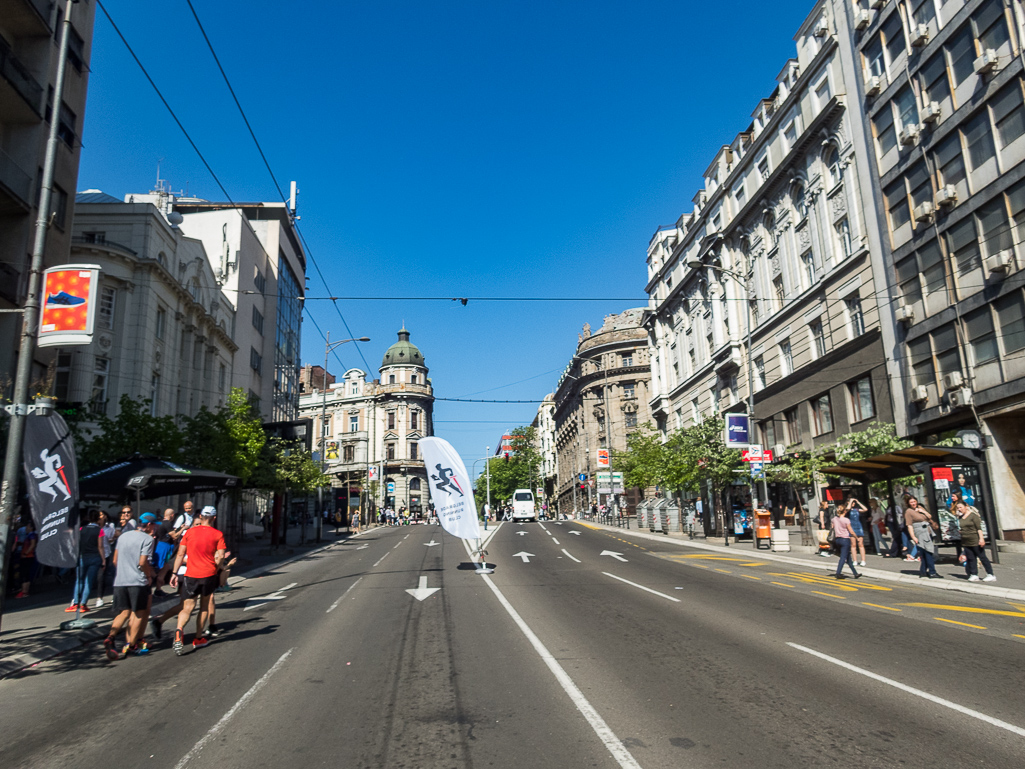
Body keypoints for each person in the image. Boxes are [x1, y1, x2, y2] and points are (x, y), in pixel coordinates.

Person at [170, 505, 227, 655]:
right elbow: (221, 556)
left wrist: (174, 573)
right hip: (208, 574)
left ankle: (179, 630)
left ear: (201, 517)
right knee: (204, 606)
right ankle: (198, 638)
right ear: (214, 518)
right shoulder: (218, 534)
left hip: (190, 575)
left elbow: (180, 554)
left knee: (187, 607)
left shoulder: (189, 532)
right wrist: (217, 568)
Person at [103, 512, 159, 659]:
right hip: (137, 581)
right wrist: (147, 576)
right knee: (138, 613)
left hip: (120, 580)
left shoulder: (123, 536)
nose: (154, 528)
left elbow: (115, 560)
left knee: (123, 612)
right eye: (153, 525)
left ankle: (111, 637)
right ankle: (132, 645)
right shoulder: (147, 539)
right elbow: (142, 562)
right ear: (148, 525)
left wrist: (124, 571)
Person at [68, 510, 106, 613]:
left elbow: (75, 543)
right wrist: (103, 560)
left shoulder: (81, 529)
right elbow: (100, 546)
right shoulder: (100, 530)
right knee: (88, 582)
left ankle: (75, 603)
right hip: (94, 557)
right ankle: (83, 604)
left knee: (79, 580)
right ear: (98, 518)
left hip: (82, 557)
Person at [955, 500, 995, 582]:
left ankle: (990, 574)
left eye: (960, 507)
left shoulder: (973, 516)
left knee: (982, 557)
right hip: (966, 541)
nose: (959, 509)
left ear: (966, 506)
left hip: (975, 539)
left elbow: (979, 529)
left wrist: (981, 539)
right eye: (958, 508)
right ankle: (974, 574)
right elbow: (960, 527)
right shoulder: (960, 517)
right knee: (971, 558)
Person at [905, 495, 941, 578]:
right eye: (911, 502)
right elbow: (909, 525)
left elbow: (929, 516)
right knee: (928, 552)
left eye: (914, 501)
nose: (913, 503)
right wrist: (913, 537)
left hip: (928, 531)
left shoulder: (920, 508)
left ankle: (923, 571)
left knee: (925, 553)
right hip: (920, 532)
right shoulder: (909, 512)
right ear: (908, 503)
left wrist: (922, 511)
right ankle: (932, 572)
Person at [831, 506, 861, 580]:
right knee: (843, 558)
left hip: (837, 540)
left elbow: (832, 528)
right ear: (844, 511)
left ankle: (855, 573)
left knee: (848, 558)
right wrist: (857, 538)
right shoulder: (846, 520)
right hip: (845, 540)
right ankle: (838, 573)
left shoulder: (834, 519)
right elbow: (851, 531)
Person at [12, 519, 38, 598]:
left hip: (27, 556)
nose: (26, 528)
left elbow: (32, 545)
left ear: (30, 527)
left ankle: (24, 591)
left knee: (24, 573)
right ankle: (24, 591)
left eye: (27, 526)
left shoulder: (31, 535)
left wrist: (26, 553)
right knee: (25, 573)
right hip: (27, 555)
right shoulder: (30, 535)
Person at [845, 496, 869, 566]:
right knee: (853, 545)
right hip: (851, 527)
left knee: (861, 544)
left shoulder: (857, 509)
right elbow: (848, 508)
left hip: (858, 527)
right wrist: (850, 501)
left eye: (854, 503)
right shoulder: (847, 510)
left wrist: (858, 502)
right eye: (852, 503)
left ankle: (863, 560)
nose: (853, 504)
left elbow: (865, 509)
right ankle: (854, 560)